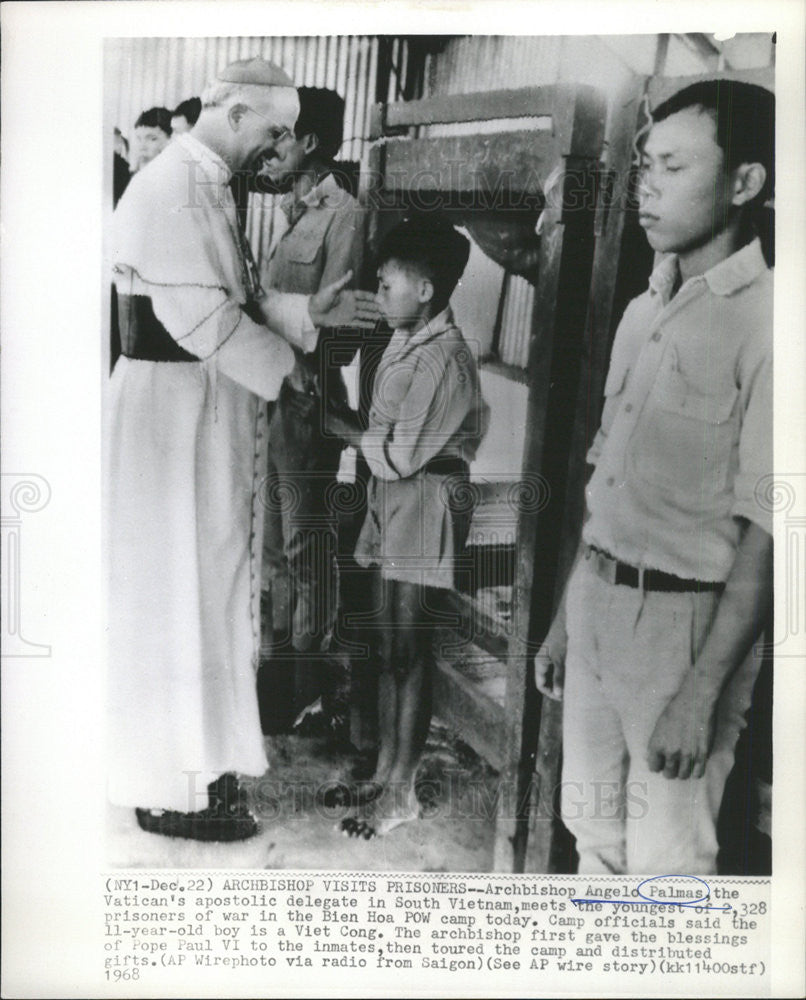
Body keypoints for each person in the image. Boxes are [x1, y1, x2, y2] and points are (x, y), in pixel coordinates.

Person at [107, 57, 379, 842]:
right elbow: (204, 322)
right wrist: (291, 370)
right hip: (171, 412)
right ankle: (167, 785)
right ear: (232, 114)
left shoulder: (203, 181)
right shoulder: (173, 184)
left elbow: (236, 297)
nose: (280, 147)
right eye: (273, 131)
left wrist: (305, 310)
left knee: (204, 586)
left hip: (194, 405)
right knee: (172, 597)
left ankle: (195, 767)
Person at [534, 80, 774, 874]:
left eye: (672, 166)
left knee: (667, 868)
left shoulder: (772, 324)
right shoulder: (644, 310)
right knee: (593, 834)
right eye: (644, 167)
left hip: (686, 627)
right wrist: (570, 619)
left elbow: (771, 533)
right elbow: (606, 485)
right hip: (599, 602)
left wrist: (701, 694)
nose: (648, 186)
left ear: (744, 183)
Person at [326, 214, 489, 838]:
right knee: (391, 647)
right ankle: (387, 774)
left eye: (389, 282)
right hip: (393, 498)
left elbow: (398, 452)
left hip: (424, 499)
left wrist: (337, 422)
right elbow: (386, 444)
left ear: (426, 290)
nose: (381, 291)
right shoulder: (405, 341)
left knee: (408, 651)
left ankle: (402, 789)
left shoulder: (444, 357)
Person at [254, 87, 366, 733]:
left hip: (309, 400)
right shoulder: (294, 213)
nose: (269, 149)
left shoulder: (343, 216)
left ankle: (311, 684)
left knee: (307, 546)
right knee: (275, 544)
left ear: (311, 145)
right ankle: (279, 675)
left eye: (279, 137)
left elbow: (344, 324)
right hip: (273, 396)